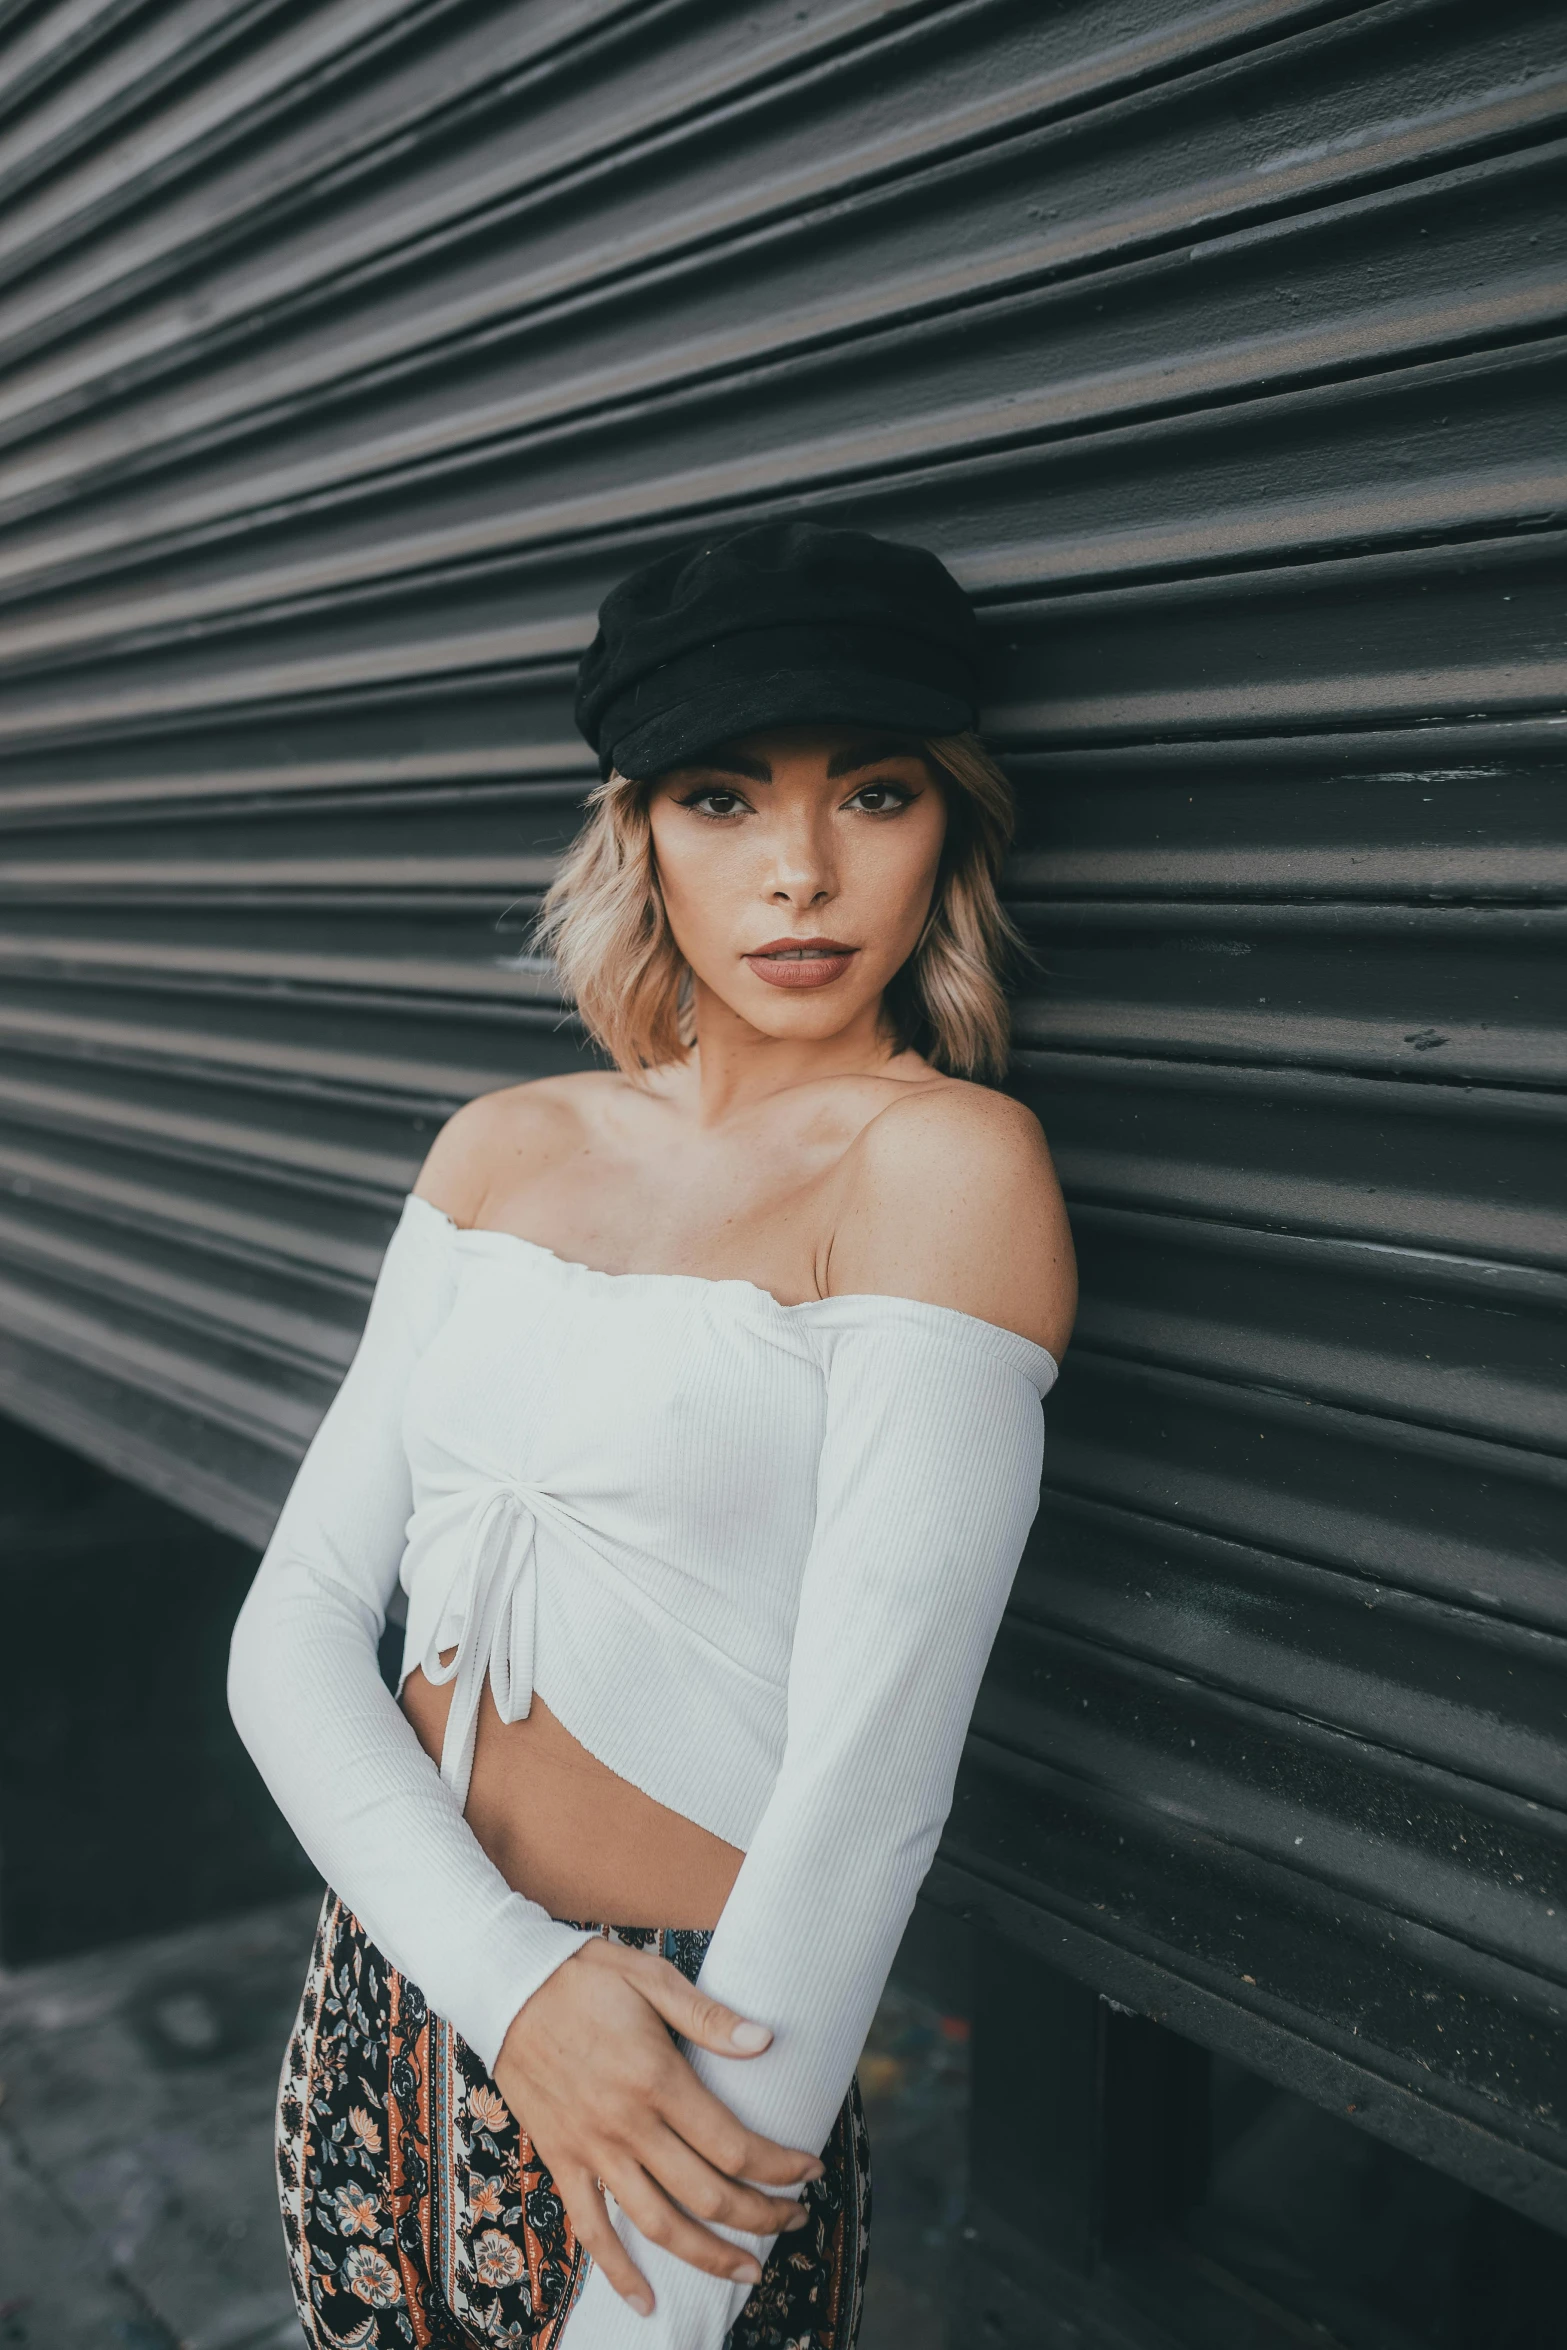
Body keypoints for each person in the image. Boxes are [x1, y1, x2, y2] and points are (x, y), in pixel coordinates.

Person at [229, 519, 1076, 2350]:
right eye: (719, 798)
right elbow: (293, 1621)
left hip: (697, 2081)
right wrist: (505, 1982)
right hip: (384, 1995)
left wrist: (662, 2313)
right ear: (636, 835)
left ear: (950, 824)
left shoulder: (945, 1170)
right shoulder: (501, 1143)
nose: (798, 873)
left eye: (871, 791)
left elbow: (871, 1788)